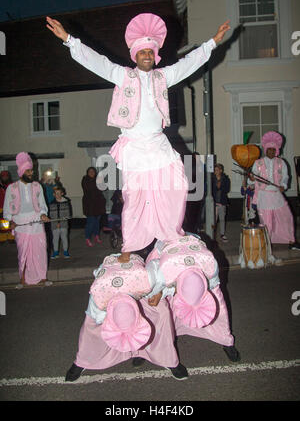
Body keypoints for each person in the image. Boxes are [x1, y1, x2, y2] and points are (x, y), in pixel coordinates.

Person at [46, 14, 230, 262]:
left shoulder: (163, 77)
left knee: (178, 185)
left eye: (150, 52)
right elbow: (97, 62)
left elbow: (189, 63)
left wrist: (212, 43)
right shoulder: (123, 75)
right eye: (142, 52)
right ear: (135, 55)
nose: (146, 55)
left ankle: (171, 235)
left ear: (155, 55)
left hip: (158, 144)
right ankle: (130, 246)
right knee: (135, 201)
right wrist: (69, 39)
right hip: (134, 147)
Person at [3, 152, 52, 289]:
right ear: (22, 172)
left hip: (36, 222)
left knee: (40, 251)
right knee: (23, 252)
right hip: (20, 224)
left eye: (32, 171)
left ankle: (43, 277)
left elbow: (43, 205)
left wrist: (43, 214)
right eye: (29, 171)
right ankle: (23, 279)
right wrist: (10, 221)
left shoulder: (37, 186)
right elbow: (7, 209)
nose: (32, 174)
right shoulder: (11, 188)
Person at [251, 131, 300, 249]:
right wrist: (252, 178)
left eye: (274, 149)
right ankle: (266, 243)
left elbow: (285, 176)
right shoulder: (258, 163)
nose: (271, 151)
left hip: (277, 194)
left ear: (277, 150)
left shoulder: (281, 162)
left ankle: (290, 241)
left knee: (286, 217)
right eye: (269, 149)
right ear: (265, 149)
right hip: (264, 195)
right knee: (266, 221)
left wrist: (283, 185)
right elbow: (252, 179)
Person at [81, 167, 106, 247]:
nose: (91, 173)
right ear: (87, 172)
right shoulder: (85, 180)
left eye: (93, 171)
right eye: (90, 171)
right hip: (89, 205)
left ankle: (96, 236)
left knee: (97, 222)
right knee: (90, 222)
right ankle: (87, 238)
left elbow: (103, 188)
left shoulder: (98, 179)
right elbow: (89, 189)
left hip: (98, 204)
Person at [49, 185, 72, 258]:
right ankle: (55, 252)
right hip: (54, 224)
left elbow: (67, 214)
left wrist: (61, 222)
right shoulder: (52, 204)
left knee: (64, 238)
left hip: (64, 224)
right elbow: (51, 215)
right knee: (55, 239)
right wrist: (56, 223)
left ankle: (65, 251)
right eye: (56, 193)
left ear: (62, 193)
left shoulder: (66, 203)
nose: (58, 195)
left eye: (59, 193)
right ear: (54, 194)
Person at [212, 163, 230, 242]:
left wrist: (220, 187)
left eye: (217, 170)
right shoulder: (212, 179)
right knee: (213, 220)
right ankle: (212, 235)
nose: (215, 171)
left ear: (221, 170)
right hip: (214, 202)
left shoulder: (225, 179)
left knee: (222, 219)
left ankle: (222, 234)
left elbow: (227, 189)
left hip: (222, 202)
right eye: (215, 170)